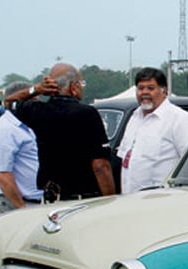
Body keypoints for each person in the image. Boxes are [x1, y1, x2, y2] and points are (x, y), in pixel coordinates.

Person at [8, 63, 115, 201]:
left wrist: (37, 89)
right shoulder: (87, 114)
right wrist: (110, 200)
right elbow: (100, 165)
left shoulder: (37, 111)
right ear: (73, 87)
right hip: (82, 199)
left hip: (51, 198)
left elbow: (9, 101)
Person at [117, 67, 188, 193]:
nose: (144, 92)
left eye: (150, 88)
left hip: (162, 202)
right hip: (131, 201)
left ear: (164, 91)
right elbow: (125, 160)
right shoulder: (134, 117)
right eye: (140, 88)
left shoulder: (180, 119)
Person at [0, 82, 43, 214]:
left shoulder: (29, 125)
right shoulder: (5, 130)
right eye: (32, 101)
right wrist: (21, 208)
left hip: (38, 202)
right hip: (19, 204)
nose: (36, 106)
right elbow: (2, 174)